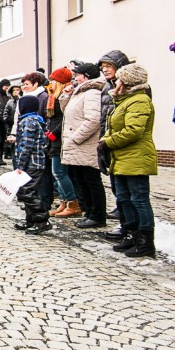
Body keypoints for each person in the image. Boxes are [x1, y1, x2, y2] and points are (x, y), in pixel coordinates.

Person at [101, 64, 157, 258]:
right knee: (124, 198)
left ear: (126, 82)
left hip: (136, 157)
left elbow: (134, 130)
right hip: (122, 157)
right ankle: (131, 233)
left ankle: (145, 242)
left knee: (139, 199)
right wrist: (104, 142)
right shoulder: (124, 101)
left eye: (119, 79)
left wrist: (107, 143)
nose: (115, 82)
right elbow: (113, 127)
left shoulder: (139, 101)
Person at [60, 63, 106, 228]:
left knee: (91, 181)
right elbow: (69, 115)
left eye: (77, 74)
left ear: (85, 76)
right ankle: (89, 212)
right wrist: (65, 96)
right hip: (76, 145)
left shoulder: (92, 93)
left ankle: (97, 215)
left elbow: (93, 119)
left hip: (85, 145)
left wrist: (76, 138)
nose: (74, 77)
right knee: (79, 179)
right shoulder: (80, 92)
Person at [96, 50, 131, 238]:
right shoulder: (106, 88)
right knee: (118, 189)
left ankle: (132, 229)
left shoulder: (131, 88)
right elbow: (105, 118)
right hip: (108, 141)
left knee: (130, 193)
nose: (105, 70)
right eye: (103, 68)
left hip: (123, 145)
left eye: (109, 66)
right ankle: (125, 225)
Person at [12, 95, 51, 234]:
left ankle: (42, 221)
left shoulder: (29, 121)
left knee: (26, 192)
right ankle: (31, 220)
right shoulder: (35, 120)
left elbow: (26, 145)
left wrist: (20, 165)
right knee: (28, 191)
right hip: (35, 162)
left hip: (32, 163)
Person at [47, 67, 81, 218]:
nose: (50, 84)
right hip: (55, 139)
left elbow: (65, 119)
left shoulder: (64, 96)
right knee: (58, 173)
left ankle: (72, 203)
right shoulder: (53, 96)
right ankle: (64, 201)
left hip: (60, 139)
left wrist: (53, 134)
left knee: (60, 172)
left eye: (53, 81)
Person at [3, 84, 21, 158]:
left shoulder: (22, 100)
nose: (15, 92)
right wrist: (8, 121)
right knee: (12, 146)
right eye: (14, 90)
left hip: (20, 125)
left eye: (17, 90)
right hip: (11, 127)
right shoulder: (9, 102)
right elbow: (5, 114)